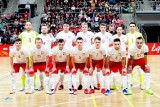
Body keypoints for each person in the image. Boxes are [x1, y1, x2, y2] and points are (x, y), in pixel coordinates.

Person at [18, 21, 39, 91]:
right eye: (27, 25)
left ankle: (34, 85)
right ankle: (23, 86)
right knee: (23, 71)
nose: (28, 26)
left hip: (33, 55)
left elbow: (39, 43)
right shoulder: (21, 34)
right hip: (24, 56)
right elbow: (18, 44)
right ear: (24, 26)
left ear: (31, 26)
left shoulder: (35, 33)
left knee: (34, 71)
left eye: (29, 25)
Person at [55, 22, 75, 90]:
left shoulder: (72, 34)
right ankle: (61, 84)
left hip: (70, 54)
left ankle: (72, 84)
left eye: (67, 26)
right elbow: (57, 42)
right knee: (62, 70)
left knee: (71, 69)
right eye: (64, 26)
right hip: (62, 54)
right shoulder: (59, 34)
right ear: (62, 27)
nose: (66, 27)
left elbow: (74, 42)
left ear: (69, 27)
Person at [93, 23, 112, 90]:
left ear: (106, 28)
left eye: (104, 27)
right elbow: (94, 43)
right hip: (99, 55)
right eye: (102, 27)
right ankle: (98, 83)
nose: (103, 28)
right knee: (98, 69)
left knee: (107, 70)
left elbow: (110, 44)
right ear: (100, 28)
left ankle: (107, 84)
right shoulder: (96, 35)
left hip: (107, 55)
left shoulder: (109, 35)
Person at [126, 22, 145, 89]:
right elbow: (126, 44)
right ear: (129, 27)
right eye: (131, 26)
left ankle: (141, 84)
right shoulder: (127, 35)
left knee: (140, 70)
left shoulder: (139, 34)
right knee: (130, 69)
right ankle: (130, 83)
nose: (132, 27)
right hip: (130, 55)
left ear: (135, 27)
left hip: (138, 55)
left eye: (133, 26)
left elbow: (143, 43)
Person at [76, 22, 94, 90]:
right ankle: (80, 84)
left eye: (85, 27)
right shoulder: (79, 34)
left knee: (89, 69)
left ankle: (90, 84)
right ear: (81, 28)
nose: (84, 28)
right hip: (81, 53)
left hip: (88, 53)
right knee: (80, 69)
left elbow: (93, 42)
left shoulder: (91, 34)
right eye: (83, 27)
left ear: (87, 28)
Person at [37, 25, 56, 91]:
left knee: (50, 71)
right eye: (43, 28)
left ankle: (50, 85)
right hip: (41, 56)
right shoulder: (38, 36)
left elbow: (55, 41)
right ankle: (42, 85)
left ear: (47, 29)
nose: (44, 29)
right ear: (41, 30)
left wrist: (52, 36)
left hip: (49, 55)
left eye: (45, 28)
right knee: (41, 72)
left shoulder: (49, 36)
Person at [110, 26, 127, 90]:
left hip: (122, 55)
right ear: (116, 30)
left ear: (122, 30)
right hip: (114, 56)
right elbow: (111, 45)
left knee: (122, 71)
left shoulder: (125, 37)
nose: (119, 31)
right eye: (118, 30)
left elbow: (127, 45)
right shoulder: (113, 37)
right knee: (114, 72)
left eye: (120, 30)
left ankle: (123, 84)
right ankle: (114, 85)